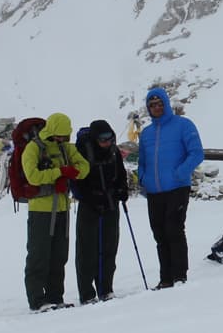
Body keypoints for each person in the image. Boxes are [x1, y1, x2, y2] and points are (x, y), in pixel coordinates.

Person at [136, 87, 204, 289]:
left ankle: (179, 276)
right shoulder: (146, 133)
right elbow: (142, 161)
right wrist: (142, 178)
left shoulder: (183, 125)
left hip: (177, 187)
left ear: (166, 104)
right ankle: (165, 278)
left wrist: (180, 173)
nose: (156, 108)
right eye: (152, 105)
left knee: (174, 229)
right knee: (159, 233)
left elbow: (196, 153)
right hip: (154, 191)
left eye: (159, 104)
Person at [23, 113, 90, 311]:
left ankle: (55, 297)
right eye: (59, 135)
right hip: (41, 210)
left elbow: (84, 167)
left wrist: (72, 171)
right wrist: (60, 173)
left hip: (62, 208)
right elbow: (33, 176)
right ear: (51, 131)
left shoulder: (65, 148)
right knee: (38, 255)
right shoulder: (33, 148)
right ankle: (37, 300)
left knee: (59, 255)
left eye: (64, 136)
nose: (62, 139)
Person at [73, 119, 130, 304]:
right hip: (89, 206)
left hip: (110, 204)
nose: (107, 142)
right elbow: (76, 181)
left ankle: (106, 289)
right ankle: (87, 293)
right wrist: (89, 198)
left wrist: (122, 190)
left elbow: (121, 174)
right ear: (95, 138)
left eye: (110, 138)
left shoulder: (113, 151)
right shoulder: (83, 151)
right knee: (87, 250)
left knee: (109, 246)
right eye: (103, 139)